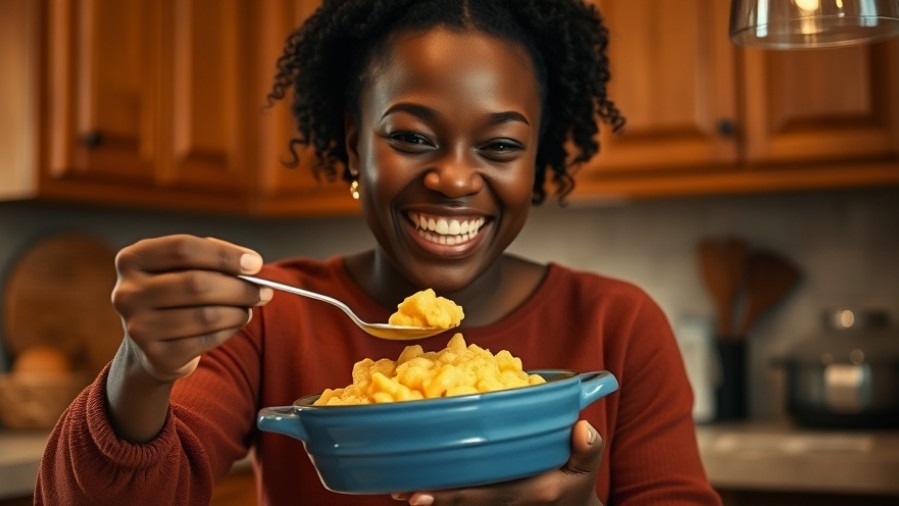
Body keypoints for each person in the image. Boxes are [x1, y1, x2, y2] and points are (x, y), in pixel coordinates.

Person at [36, 0, 721, 505]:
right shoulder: (270, 316)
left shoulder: (619, 324)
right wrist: (141, 369)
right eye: (412, 137)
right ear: (352, 141)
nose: (454, 178)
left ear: (536, 161)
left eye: (501, 146)